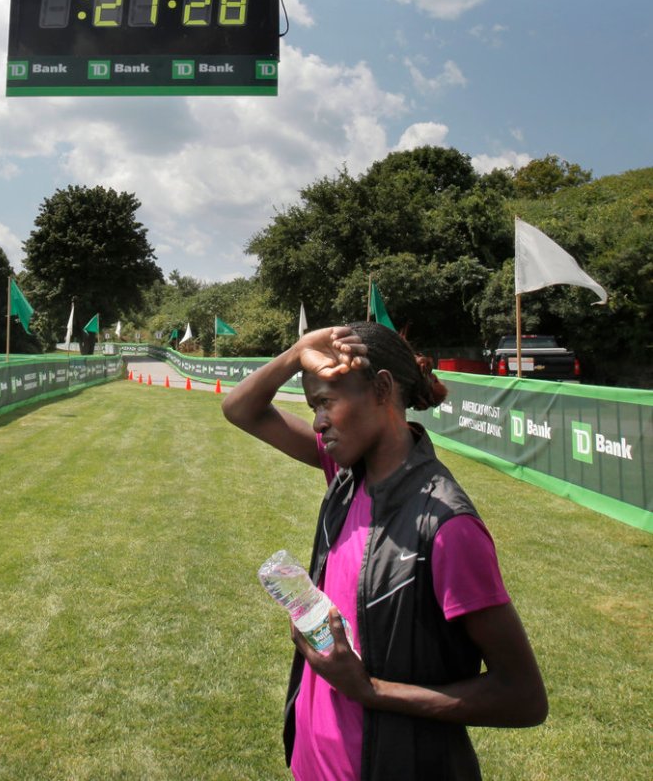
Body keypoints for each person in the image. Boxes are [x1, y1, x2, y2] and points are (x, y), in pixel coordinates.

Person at [222, 322, 547, 781]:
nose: (318, 422)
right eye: (314, 406)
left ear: (381, 389)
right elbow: (240, 409)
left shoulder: (448, 528)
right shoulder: (345, 471)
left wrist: (371, 690)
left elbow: (523, 698)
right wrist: (297, 352)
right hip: (312, 765)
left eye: (327, 403)